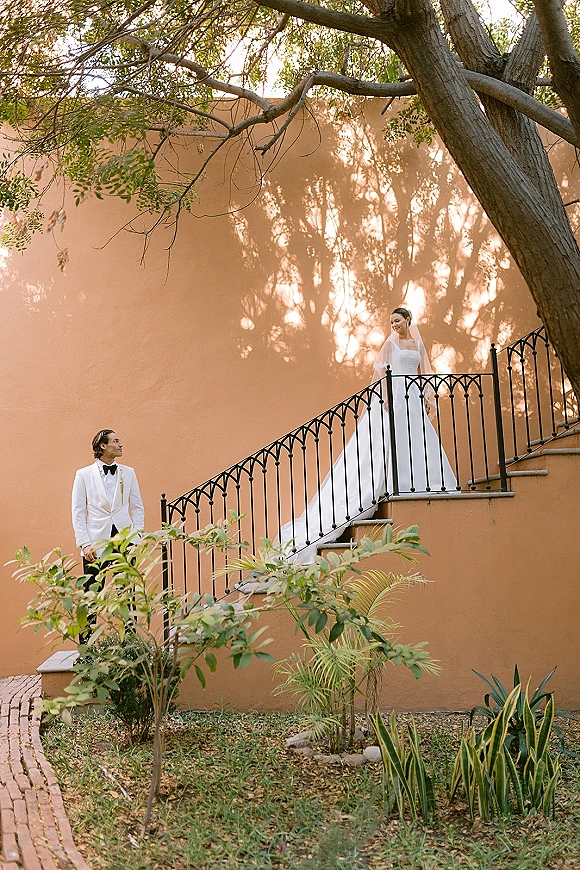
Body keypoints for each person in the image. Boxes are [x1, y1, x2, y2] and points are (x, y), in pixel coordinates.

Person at [277, 308, 457, 563]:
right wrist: (385, 398)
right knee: (388, 442)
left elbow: (424, 372)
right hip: (394, 395)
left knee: (415, 441)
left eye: (397, 320)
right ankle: (386, 485)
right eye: (391, 322)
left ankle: (415, 482)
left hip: (412, 397)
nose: (394, 325)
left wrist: (428, 398)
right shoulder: (390, 343)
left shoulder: (417, 343)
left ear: (408, 320)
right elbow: (381, 373)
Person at [72, 429, 145, 578]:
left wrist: (137, 536)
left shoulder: (129, 472)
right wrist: (84, 543)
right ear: (103, 445)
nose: (121, 445)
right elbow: (78, 512)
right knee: (92, 592)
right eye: (116, 441)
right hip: (95, 542)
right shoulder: (83, 475)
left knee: (126, 593)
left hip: (125, 539)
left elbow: (137, 506)